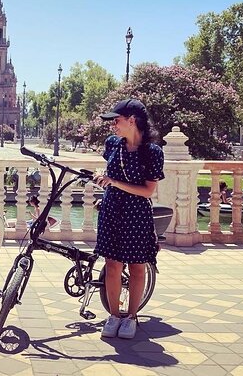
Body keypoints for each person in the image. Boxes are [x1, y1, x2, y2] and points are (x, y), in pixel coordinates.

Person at [93, 98, 165, 340]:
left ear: (132, 121)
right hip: (112, 209)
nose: (113, 126)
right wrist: (104, 176)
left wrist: (114, 182)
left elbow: (147, 191)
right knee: (112, 264)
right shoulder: (112, 144)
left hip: (136, 212)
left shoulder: (152, 153)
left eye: (117, 121)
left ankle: (131, 316)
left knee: (136, 266)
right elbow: (112, 171)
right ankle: (114, 315)